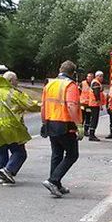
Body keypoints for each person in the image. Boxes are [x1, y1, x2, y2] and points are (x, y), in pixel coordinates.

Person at [0, 71, 37, 185]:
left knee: (1, 152)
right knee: (20, 152)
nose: (17, 82)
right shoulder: (13, 93)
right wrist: (44, 106)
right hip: (11, 127)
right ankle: (8, 170)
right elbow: (30, 105)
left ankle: (1, 176)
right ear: (10, 81)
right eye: (16, 79)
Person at [41, 60, 83, 198]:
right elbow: (71, 106)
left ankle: (56, 184)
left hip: (51, 122)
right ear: (73, 73)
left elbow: (43, 106)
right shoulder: (70, 85)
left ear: (60, 69)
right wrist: (79, 125)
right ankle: (53, 180)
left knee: (57, 154)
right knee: (72, 155)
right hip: (65, 123)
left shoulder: (50, 84)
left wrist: (43, 123)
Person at [87, 70, 105, 141]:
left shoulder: (96, 82)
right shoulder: (96, 83)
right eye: (100, 76)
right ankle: (91, 135)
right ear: (97, 76)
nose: (102, 78)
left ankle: (92, 133)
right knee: (94, 119)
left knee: (94, 119)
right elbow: (96, 94)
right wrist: (99, 104)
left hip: (94, 103)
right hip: (94, 104)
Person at [79, 72, 93, 136]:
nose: (90, 78)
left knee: (88, 117)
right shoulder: (82, 83)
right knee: (82, 117)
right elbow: (78, 92)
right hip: (82, 103)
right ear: (86, 77)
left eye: (91, 77)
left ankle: (86, 130)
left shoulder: (94, 84)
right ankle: (80, 130)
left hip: (89, 104)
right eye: (88, 76)